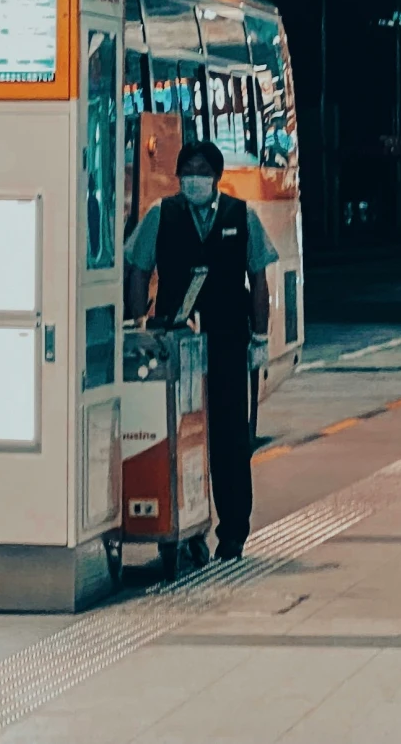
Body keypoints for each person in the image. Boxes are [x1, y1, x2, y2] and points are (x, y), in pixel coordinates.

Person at [124, 139, 277, 562]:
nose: (195, 177)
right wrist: (140, 326)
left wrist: (260, 339)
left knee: (230, 437)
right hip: (174, 342)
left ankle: (233, 531)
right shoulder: (161, 214)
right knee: (176, 436)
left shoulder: (241, 216)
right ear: (178, 176)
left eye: (202, 170)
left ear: (216, 175)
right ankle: (181, 527)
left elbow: (258, 279)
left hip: (228, 340)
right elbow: (138, 269)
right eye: (187, 169)